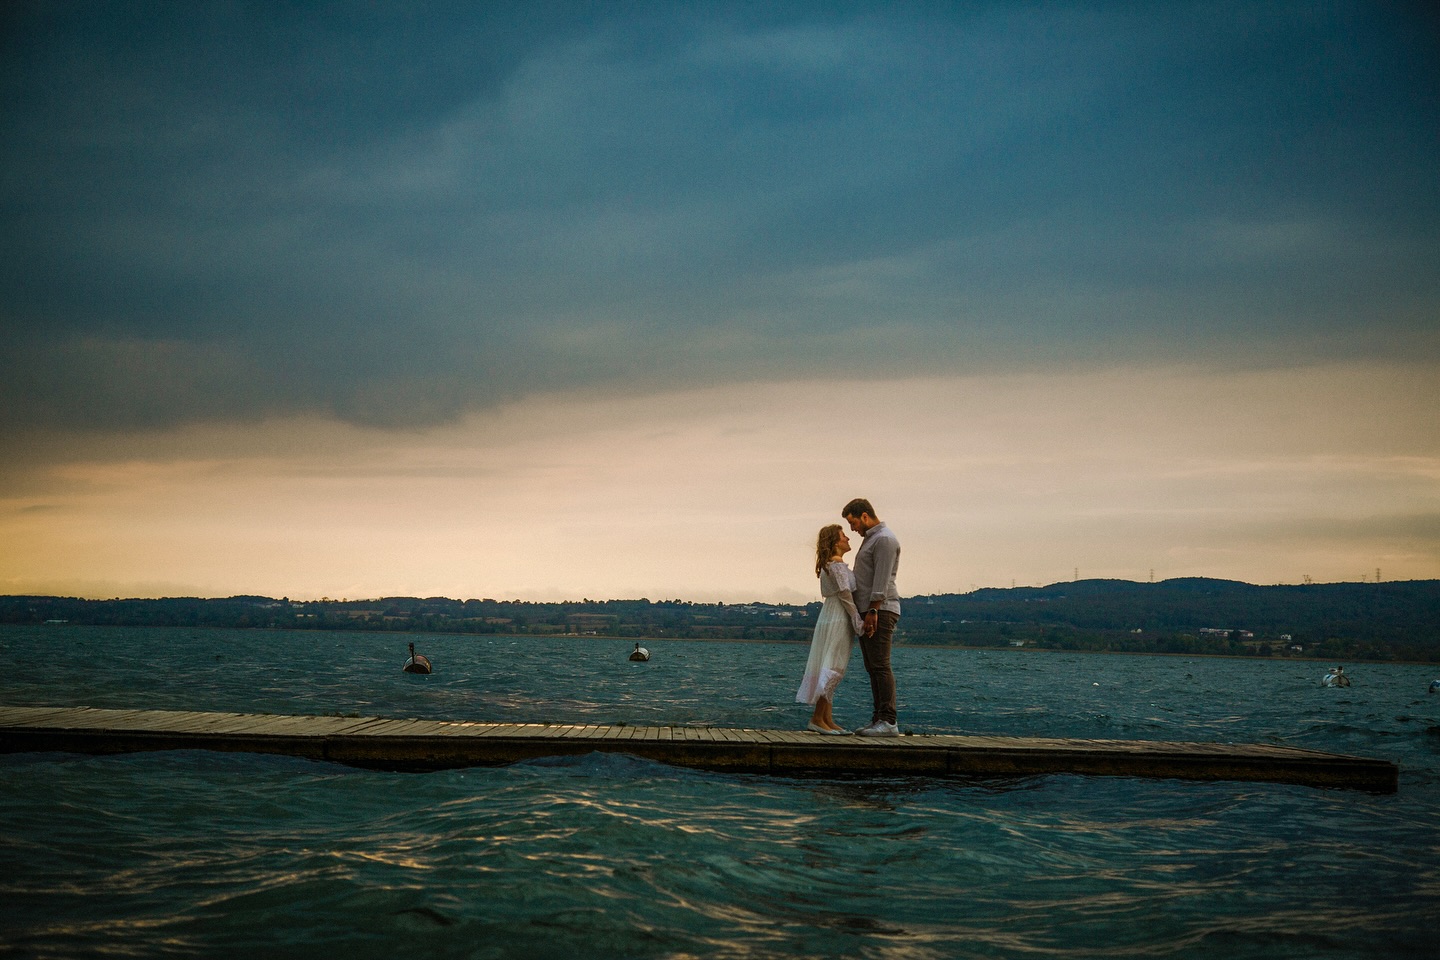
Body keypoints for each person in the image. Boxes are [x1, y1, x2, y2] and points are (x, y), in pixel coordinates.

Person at [796, 524, 865, 734]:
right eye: (844, 536)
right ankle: (818, 719)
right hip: (838, 616)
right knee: (834, 665)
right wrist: (857, 620)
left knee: (831, 664)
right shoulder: (836, 566)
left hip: (831, 614)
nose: (848, 539)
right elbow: (845, 595)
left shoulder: (833, 566)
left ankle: (826, 718)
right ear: (836, 542)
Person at [843, 498, 901, 736]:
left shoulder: (884, 539)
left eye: (853, 522)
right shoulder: (871, 540)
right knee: (873, 667)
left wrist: (874, 610)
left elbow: (882, 579)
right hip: (869, 610)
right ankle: (879, 718)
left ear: (865, 516)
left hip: (881, 609)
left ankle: (888, 721)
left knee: (880, 665)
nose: (852, 529)